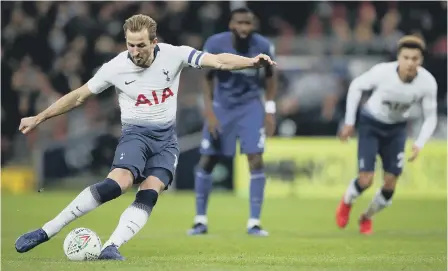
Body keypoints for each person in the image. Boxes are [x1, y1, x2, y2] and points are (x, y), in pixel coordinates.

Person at [14, 14, 276, 260]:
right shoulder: (115, 67)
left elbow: (218, 60)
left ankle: (111, 246)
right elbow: (79, 96)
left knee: (151, 191)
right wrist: (39, 117)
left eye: (141, 45)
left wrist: (251, 62)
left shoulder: (175, 54)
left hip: (166, 141)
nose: (135, 52)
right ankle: (47, 230)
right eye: (130, 45)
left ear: (154, 42)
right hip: (135, 135)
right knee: (117, 184)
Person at [187, 7, 277, 237]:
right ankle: (200, 221)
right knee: (208, 160)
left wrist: (269, 111)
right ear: (231, 24)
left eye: (248, 23)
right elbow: (206, 79)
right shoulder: (215, 43)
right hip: (222, 107)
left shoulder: (263, 46)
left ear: (253, 25)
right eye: (240, 23)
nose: (244, 28)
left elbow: (270, 79)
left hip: (250, 108)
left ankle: (254, 223)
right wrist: (209, 112)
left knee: (256, 159)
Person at [336, 35, 438, 235]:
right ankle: (347, 202)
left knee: (390, 185)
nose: (410, 63)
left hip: (397, 129)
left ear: (421, 61)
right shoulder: (382, 72)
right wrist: (349, 122)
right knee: (366, 180)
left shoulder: (427, 83)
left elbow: (431, 117)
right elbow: (356, 86)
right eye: (406, 57)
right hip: (371, 124)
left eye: (414, 59)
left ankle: (366, 217)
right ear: (399, 58)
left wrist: (420, 143)